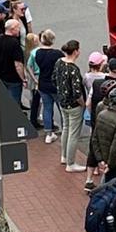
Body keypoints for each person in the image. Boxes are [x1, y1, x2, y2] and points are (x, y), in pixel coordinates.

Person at [53, 39, 86, 171]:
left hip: (62, 102)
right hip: (73, 105)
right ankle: (71, 163)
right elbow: (77, 92)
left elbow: (54, 79)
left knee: (66, 128)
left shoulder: (59, 62)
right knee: (74, 133)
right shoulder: (73, 69)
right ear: (75, 51)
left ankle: (64, 156)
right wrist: (83, 105)